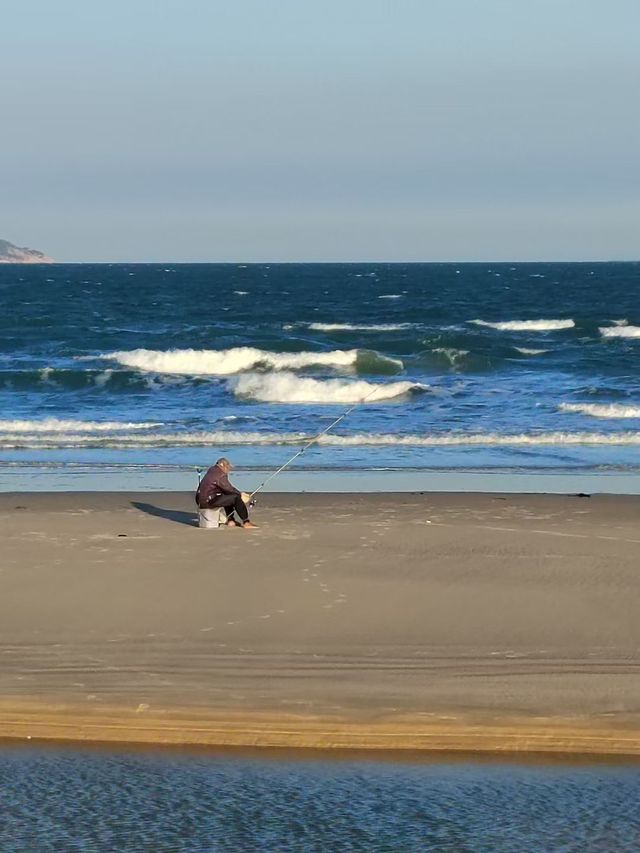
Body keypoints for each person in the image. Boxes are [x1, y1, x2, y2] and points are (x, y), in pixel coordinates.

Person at [196, 457, 258, 529]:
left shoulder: (212, 470)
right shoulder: (220, 474)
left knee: (228, 495)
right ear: (222, 465)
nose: (228, 470)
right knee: (235, 497)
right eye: (227, 467)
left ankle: (231, 520)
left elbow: (226, 490)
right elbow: (228, 488)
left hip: (201, 500)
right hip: (208, 500)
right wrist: (241, 495)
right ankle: (246, 522)